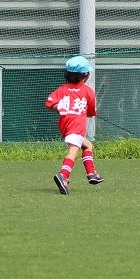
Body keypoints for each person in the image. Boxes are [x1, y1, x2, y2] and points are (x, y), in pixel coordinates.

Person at [45, 55, 102, 195]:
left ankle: (92, 174)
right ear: (85, 76)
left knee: (87, 145)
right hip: (76, 126)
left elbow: (49, 102)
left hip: (65, 126)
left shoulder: (62, 89)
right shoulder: (88, 91)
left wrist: (59, 107)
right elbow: (91, 112)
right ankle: (63, 176)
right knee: (73, 151)